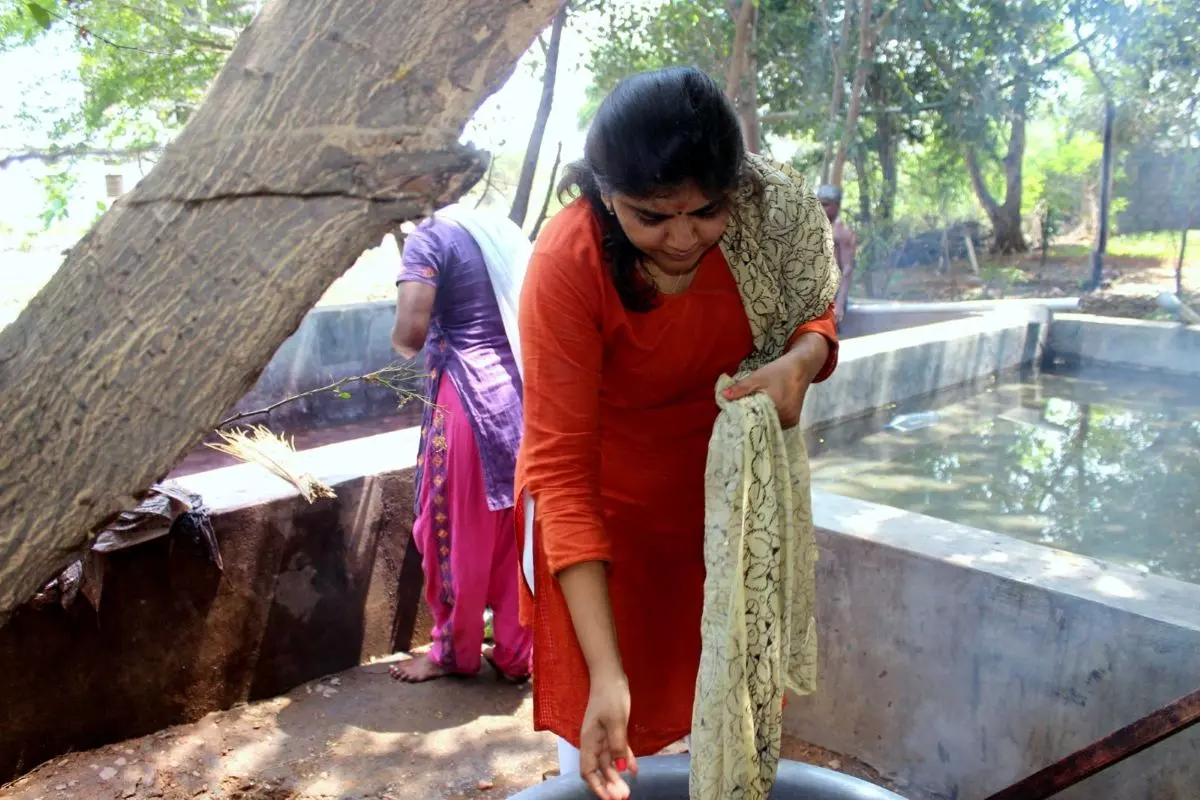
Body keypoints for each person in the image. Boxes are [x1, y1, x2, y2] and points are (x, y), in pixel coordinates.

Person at [515, 67, 840, 799]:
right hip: (603, 540)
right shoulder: (568, 266)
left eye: (705, 211)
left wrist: (803, 358)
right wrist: (606, 671)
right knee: (606, 742)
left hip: (729, 526)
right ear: (604, 192)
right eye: (652, 217)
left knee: (730, 715)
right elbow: (560, 474)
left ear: (734, 192)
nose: (684, 238)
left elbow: (812, 311)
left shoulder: (766, 224)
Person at [389, 205, 533, 684]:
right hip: (516, 398)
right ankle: (515, 653)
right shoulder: (494, 229)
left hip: (465, 401)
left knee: (452, 531)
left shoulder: (429, 236)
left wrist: (409, 342)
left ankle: (453, 650)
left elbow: (410, 332)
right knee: (512, 533)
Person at [818, 184, 857, 326]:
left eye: (826, 204)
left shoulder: (842, 233)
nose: (821, 208)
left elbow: (846, 270)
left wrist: (839, 305)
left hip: (832, 299)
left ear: (837, 205)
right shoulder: (817, 228)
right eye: (819, 204)